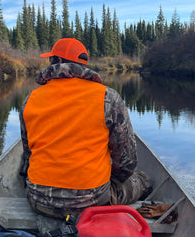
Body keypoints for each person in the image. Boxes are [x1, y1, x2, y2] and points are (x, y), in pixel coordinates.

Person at [19, 38, 152, 219]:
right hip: (92, 202)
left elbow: (28, 154)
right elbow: (127, 163)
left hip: (38, 200)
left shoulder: (30, 99)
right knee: (143, 180)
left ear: (57, 61)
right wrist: (110, 180)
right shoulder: (108, 98)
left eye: (51, 58)